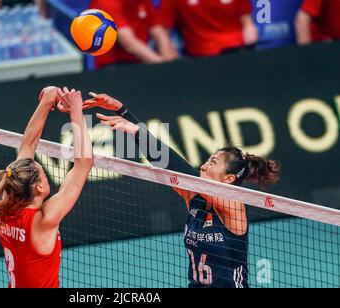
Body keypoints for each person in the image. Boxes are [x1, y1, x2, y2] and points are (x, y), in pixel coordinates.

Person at [82, 93, 280, 288]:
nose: (204, 165)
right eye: (207, 159)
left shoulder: (234, 205)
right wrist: (122, 111)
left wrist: (136, 131)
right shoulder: (195, 198)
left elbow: (180, 169)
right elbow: (162, 161)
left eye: (213, 162)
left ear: (228, 179)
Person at [0, 86, 94, 288]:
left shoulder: (5, 206)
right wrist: (76, 110)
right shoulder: (42, 221)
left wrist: (47, 100)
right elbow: (83, 163)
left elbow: (28, 146)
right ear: (39, 188)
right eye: (43, 172)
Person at [88, 0, 179, 69]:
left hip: (140, 62)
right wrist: (164, 66)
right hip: (113, 67)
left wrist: (170, 63)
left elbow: (158, 32)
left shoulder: (142, 1)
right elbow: (128, 43)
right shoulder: (106, 2)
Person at [159, 0, 258, 57]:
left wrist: (249, 53)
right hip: (202, 57)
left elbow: (248, 24)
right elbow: (164, 33)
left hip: (238, 52)